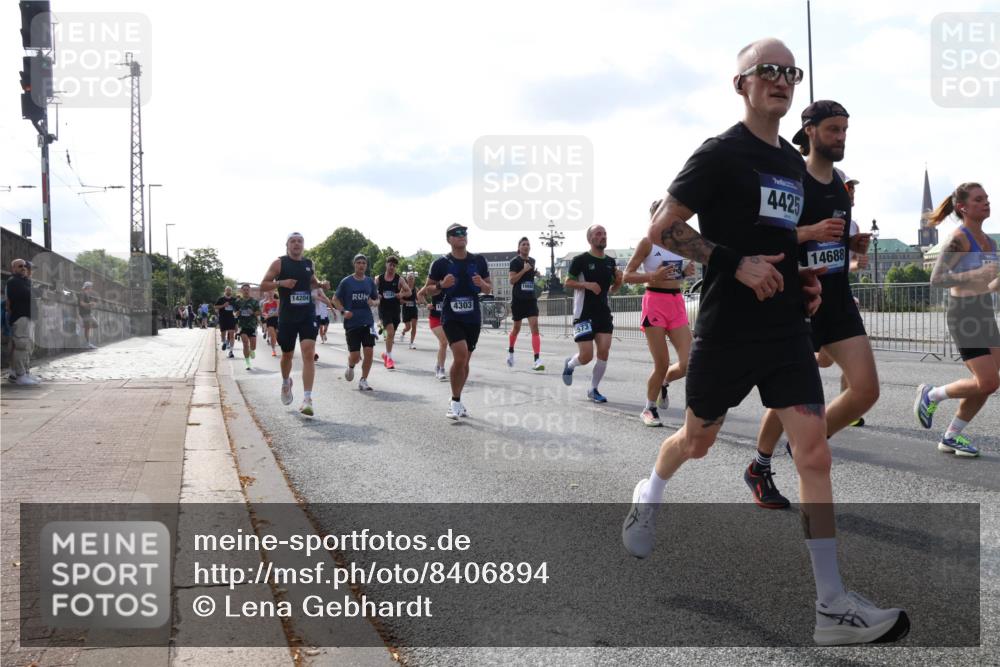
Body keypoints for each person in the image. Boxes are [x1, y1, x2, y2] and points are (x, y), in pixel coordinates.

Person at [620, 38, 908, 646]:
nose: (781, 79)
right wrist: (736, 262)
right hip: (727, 331)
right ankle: (651, 490)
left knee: (814, 455)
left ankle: (831, 606)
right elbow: (664, 226)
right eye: (767, 71)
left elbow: (781, 235)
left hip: (783, 329)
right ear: (742, 85)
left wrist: (801, 277)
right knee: (696, 442)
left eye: (789, 72)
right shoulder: (721, 152)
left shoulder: (789, 164)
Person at [746, 100, 879, 509]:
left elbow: (832, 240)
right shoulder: (790, 178)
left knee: (866, 391)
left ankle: (808, 443)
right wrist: (811, 231)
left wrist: (850, 244)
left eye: (844, 130)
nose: (841, 138)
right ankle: (759, 466)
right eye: (833, 130)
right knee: (792, 396)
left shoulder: (840, 183)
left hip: (837, 298)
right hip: (798, 299)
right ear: (809, 131)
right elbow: (767, 239)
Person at [916, 183, 998, 457]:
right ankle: (932, 394)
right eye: (979, 199)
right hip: (964, 313)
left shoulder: (990, 241)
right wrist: (973, 276)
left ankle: (951, 436)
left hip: (984, 310)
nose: (986, 202)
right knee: (988, 382)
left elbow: (988, 282)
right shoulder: (959, 239)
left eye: (986, 198)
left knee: (989, 380)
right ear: (963, 207)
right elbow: (936, 279)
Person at [624, 202, 696, 426]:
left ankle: (663, 384)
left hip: (676, 302)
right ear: (655, 216)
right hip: (654, 302)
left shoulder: (677, 243)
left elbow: (673, 276)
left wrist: (684, 273)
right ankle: (649, 408)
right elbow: (627, 275)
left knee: (689, 362)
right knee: (662, 362)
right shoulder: (647, 242)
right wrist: (652, 276)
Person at [260, 232, 330, 416]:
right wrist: (282, 283)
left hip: (307, 315)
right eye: (293, 241)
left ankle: (307, 399)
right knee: (287, 356)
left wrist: (322, 284)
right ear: (287, 245)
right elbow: (263, 285)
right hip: (288, 317)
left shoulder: (309, 264)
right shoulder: (279, 263)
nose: (296, 244)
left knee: (308, 353)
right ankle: (286, 382)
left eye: (300, 241)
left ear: (303, 245)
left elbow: (312, 284)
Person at [426, 223, 491, 418]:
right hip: (451, 316)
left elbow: (489, 289)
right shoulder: (440, 263)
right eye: (457, 233)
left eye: (464, 233)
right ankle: (454, 402)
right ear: (449, 239)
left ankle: (458, 398)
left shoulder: (478, 260)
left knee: (465, 361)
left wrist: (482, 284)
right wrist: (440, 284)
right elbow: (427, 289)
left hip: (472, 318)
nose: (462, 236)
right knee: (460, 356)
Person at [562, 225, 623, 402]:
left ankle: (593, 389)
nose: (603, 236)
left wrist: (618, 281)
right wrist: (587, 285)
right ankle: (571, 364)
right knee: (586, 356)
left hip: (603, 313)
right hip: (583, 313)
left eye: (604, 234)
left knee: (603, 352)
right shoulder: (580, 260)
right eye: (598, 234)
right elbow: (567, 282)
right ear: (590, 239)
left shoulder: (610, 261)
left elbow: (613, 290)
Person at [333, 254, 380, 391]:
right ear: (354, 264)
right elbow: (335, 299)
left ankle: (363, 380)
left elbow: (377, 300)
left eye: (363, 263)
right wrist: (343, 311)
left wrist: (373, 302)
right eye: (358, 262)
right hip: (352, 323)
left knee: (369, 351)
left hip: (367, 321)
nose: (361, 265)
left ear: (366, 265)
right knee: (354, 356)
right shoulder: (346, 282)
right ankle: (351, 365)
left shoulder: (370, 282)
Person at [507, 237, 545, 371]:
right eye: (523, 244)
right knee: (516, 328)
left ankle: (537, 359)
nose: (526, 246)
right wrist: (524, 270)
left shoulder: (532, 261)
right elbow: (512, 280)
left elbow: (529, 276)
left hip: (530, 299)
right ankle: (511, 351)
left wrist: (535, 273)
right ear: (519, 247)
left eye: (528, 244)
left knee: (535, 327)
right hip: (518, 300)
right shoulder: (514, 262)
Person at [6, 259, 39, 385]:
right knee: (21, 346)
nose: (24, 268)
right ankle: (20, 375)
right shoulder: (14, 281)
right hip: (20, 317)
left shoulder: (24, 281)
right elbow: (29, 295)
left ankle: (25, 373)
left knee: (27, 347)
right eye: (20, 266)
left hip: (28, 317)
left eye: (25, 266)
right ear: (13, 268)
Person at [376, 256, 410, 370]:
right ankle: (389, 359)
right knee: (390, 332)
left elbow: (408, 291)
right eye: (390, 265)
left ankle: (386, 354)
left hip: (395, 310)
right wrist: (376, 295)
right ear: (386, 265)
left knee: (391, 335)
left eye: (394, 266)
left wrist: (401, 295)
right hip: (384, 309)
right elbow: (370, 290)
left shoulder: (399, 279)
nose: (392, 267)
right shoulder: (378, 279)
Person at [419, 286, 449, 381]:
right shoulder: (434, 284)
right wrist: (426, 304)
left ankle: (438, 364)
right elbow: (419, 294)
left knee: (442, 345)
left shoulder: (452, 283)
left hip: (447, 319)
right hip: (435, 319)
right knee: (444, 342)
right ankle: (441, 369)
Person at [235, 283, 261, 370]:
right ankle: (247, 363)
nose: (246, 291)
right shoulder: (238, 302)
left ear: (249, 291)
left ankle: (252, 350)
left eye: (247, 290)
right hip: (242, 325)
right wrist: (237, 313)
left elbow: (259, 312)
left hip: (252, 325)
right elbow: (234, 313)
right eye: (244, 290)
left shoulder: (254, 301)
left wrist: (252, 313)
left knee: (253, 346)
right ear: (241, 291)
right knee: (245, 343)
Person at [399, 273, 420, 349]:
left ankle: (411, 343)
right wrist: (406, 302)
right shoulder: (404, 288)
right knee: (408, 327)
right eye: (409, 278)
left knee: (414, 326)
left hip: (413, 309)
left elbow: (418, 299)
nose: (411, 279)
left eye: (412, 278)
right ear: (407, 279)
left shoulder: (415, 289)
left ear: (414, 280)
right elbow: (400, 300)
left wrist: (418, 301)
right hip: (406, 309)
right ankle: (403, 332)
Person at [215, 287, 238, 356]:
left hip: (231, 318)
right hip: (223, 318)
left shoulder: (234, 300)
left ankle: (231, 351)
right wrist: (223, 305)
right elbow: (215, 307)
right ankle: (224, 342)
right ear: (225, 291)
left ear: (231, 291)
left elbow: (238, 309)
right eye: (227, 290)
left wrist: (236, 314)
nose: (228, 291)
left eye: (230, 290)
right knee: (223, 334)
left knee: (232, 334)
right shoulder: (221, 299)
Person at [78, 281, 98, 349]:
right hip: (85, 314)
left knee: (93, 326)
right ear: (88, 287)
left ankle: (88, 343)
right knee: (94, 325)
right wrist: (90, 304)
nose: (91, 289)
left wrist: (91, 305)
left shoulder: (86, 294)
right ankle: (88, 343)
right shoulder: (82, 293)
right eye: (90, 287)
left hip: (88, 313)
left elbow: (86, 304)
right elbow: (81, 303)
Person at [261, 291, 279, 357]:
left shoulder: (277, 301)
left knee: (276, 336)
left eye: (272, 293)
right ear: (267, 295)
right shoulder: (265, 303)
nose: (271, 295)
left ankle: (274, 345)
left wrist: (268, 315)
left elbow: (277, 313)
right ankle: (273, 350)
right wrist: (265, 315)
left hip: (278, 320)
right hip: (270, 321)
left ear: (274, 294)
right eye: (269, 294)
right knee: (273, 336)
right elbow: (263, 313)